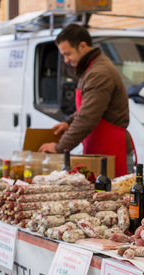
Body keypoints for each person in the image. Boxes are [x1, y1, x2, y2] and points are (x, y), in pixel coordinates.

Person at [39, 24, 135, 177]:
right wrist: (69, 123)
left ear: (83, 46)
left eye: (68, 54)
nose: (66, 60)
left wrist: (59, 148)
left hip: (111, 152)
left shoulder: (99, 72)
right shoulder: (90, 69)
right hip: (100, 151)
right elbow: (86, 109)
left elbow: (87, 118)